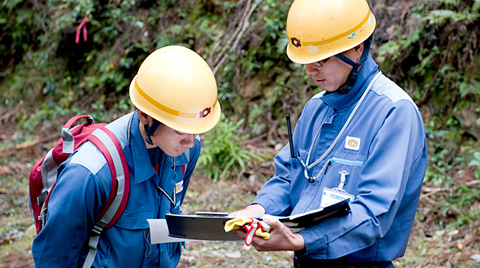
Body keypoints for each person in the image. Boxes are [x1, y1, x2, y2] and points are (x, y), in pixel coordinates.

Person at [230, 0, 427, 267]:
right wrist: (257, 211)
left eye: (320, 61)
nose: (310, 71)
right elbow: (288, 178)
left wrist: (302, 240)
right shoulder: (315, 108)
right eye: (306, 61)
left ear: (357, 48)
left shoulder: (394, 113)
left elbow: (375, 211)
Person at [32, 45, 221, 268]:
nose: (191, 142)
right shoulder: (90, 174)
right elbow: (54, 259)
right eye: (180, 131)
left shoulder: (186, 150)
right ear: (145, 115)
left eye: (197, 130)